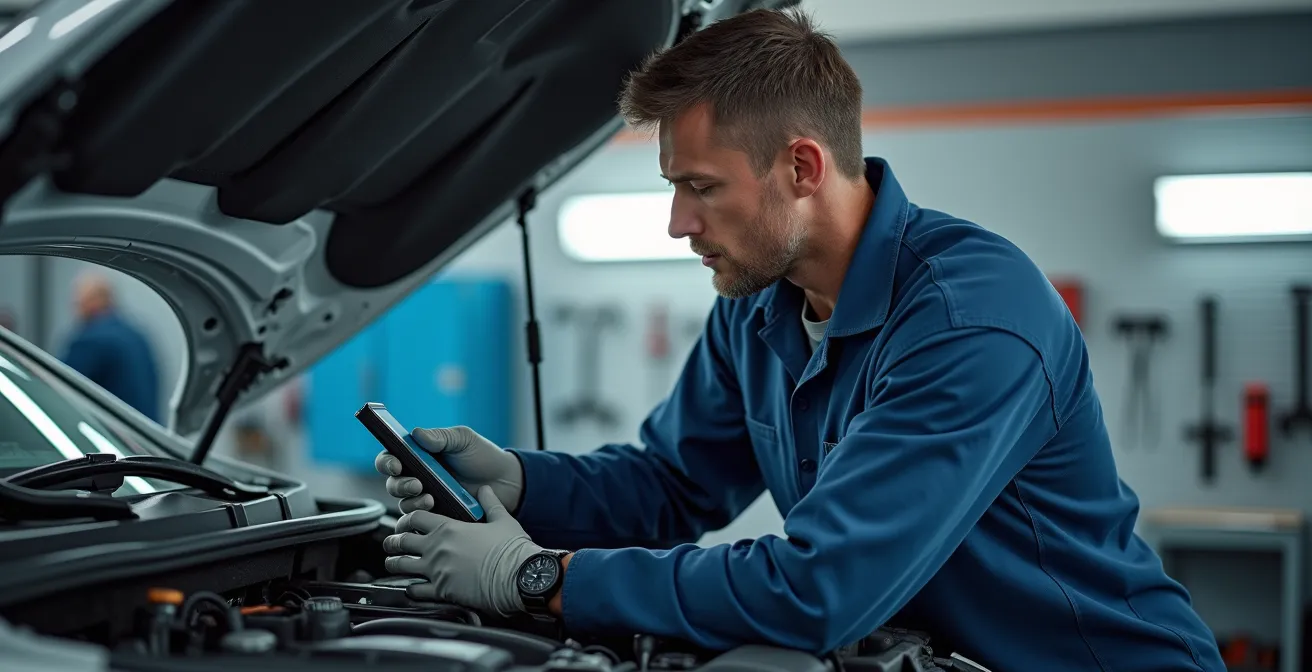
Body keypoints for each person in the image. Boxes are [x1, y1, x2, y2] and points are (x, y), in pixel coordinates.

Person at [373, 9, 1222, 670]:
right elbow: (671, 485)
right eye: (674, 187)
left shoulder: (971, 319)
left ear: (803, 169)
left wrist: (538, 578)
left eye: (700, 187)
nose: (678, 223)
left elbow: (821, 588)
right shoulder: (756, 305)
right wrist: (521, 482)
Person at [60, 271, 161, 422]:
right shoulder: (137, 335)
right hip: (147, 433)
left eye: (78, 302)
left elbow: (58, 382)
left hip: (112, 435)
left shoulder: (91, 340)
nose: (75, 309)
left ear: (94, 301)